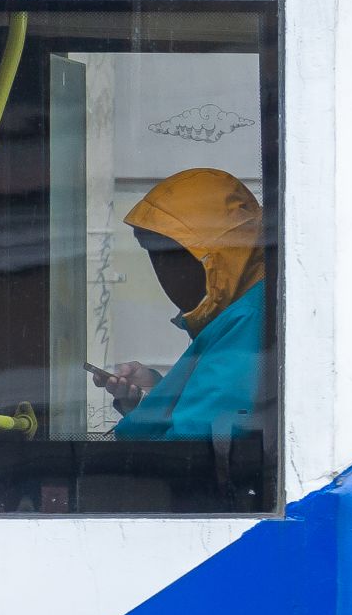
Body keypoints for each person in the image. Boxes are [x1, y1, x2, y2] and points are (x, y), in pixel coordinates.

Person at [92, 169, 267, 440]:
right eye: (154, 254)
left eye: (173, 254)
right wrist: (154, 396)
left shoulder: (246, 320)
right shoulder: (236, 313)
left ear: (217, 256)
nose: (164, 270)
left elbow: (189, 450)